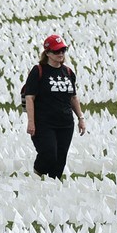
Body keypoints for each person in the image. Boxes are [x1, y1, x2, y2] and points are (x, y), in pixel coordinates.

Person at [22, 34, 86, 179]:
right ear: (48, 53)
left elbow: (73, 97)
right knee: (49, 154)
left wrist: (81, 118)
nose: (60, 53)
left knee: (60, 160)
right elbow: (30, 97)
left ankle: (52, 186)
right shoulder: (38, 71)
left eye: (63, 50)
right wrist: (31, 122)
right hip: (44, 123)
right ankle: (37, 175)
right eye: (57, 51)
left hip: (65, 123)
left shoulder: (68, 72)